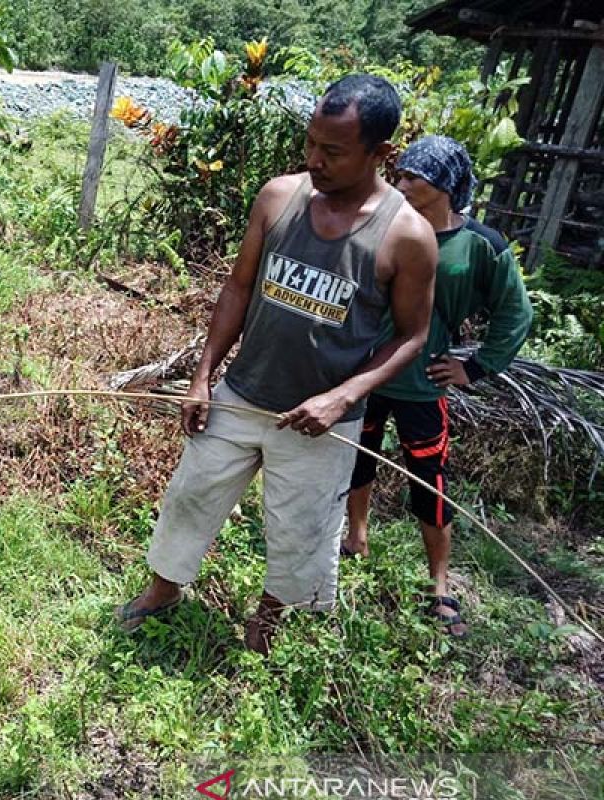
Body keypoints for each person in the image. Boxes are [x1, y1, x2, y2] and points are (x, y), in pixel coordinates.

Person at [115, 74, 438, 654]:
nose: (315, 160)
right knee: (192, 495)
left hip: (320, 419)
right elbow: (238, 289)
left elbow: (413, 336)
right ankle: (162, 591)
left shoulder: (407, 236)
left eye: (334, 151)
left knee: (302, 531)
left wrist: (344, 397)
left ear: (381, 154)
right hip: (241, 393)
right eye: (311, 143)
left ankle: (270, 622)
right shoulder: (278, 198)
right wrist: (203, 375)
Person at [340, 135, 534, 637]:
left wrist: (476, 367)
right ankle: (354, 540)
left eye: (412, 177)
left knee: (431, 486)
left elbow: (515, 313)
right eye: (398, 175)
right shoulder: (384, 224)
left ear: (445, 184)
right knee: (357, 462)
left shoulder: (480, 246)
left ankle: (440, 586)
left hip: (423, 387)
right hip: (363, 375)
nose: (400, 183)